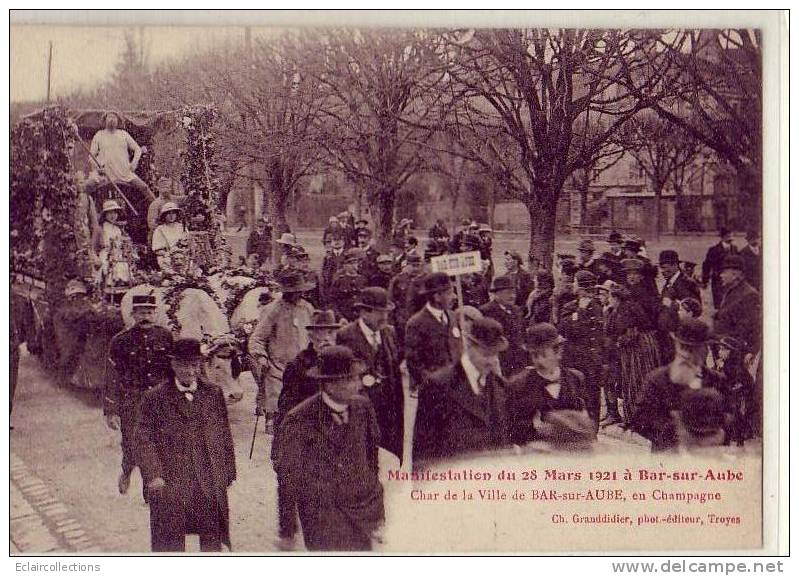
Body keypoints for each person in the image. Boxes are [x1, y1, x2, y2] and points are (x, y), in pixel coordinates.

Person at [272, 346, 385, 551]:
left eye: (357, 378)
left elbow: (371, 462)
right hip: (321, 518)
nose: (358, 385)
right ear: (330, 384)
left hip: (360, 513)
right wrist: (287, 530)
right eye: (350, 379)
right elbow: (288, 478)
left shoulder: (363, 408)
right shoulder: (299, 419)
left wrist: (377, 513)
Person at [135, 338, 236, 552]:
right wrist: (153, 475)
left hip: (207, 480)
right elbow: (144, 438)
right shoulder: (154, 398)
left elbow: (224, 434)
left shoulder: (213, 393)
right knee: (169, 544)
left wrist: (227, 471)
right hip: (171, 481)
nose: (189, 371)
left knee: (211, 541)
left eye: (194, 365)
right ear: (173, 365)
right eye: (183, 365)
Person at [271, 309, 340, 549]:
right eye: (320, 333)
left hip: (336, 432)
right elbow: (287, 405)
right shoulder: (298, 365)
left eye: (330, 332)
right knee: (290, 479)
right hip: (305, 433)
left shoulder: (342, 362)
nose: (325, 338)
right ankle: (287, 531)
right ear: (311, 336)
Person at [413, 317, 511, 463]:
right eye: (485, 354)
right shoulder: (438, 385)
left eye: (495, 354)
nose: (491, 361)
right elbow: (423, 448)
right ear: (469, 345)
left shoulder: (500, 387)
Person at [104, 294, 174, 495]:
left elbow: (172, 370)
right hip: (132, 402)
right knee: (131, 444)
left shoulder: (165, 337)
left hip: (159, 401)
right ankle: (126, 470)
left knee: (158, 442)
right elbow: (112, 375)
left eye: (150, 312)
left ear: (156, 314)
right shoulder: (120, 341)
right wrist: (110, 409)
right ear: (133, 314)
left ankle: (149, 487)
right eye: (141, 312)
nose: (146, 316)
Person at [631, 318, 730, 452]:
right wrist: (675, 431)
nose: (686, 354)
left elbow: (730, 415)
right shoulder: (657, 380)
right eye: (683, 347)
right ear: (676, 345)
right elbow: (640, 419)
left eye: (692, 348)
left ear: (704, 349)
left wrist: (714, 430)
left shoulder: (716, 380)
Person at [336, 287, 404, 461]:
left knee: (390, 463)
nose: (384, 317)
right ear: (364, 313)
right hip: (362, 413)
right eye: (379, 313)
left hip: (390, 416)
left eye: (386, 313)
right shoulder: (346, 336)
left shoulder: (390, 333)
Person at [248, 270, 316, 432]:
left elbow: (314, 334)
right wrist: (262, 358)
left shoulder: (307, 308)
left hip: (303, 366)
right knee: (279, 410)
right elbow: (256, 338)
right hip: (278, 368)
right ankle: (273, 422)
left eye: (299, 291)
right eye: (293, 292)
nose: (297, 295)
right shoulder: (273, 310)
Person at [506, 323, 594, 447]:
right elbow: (512, 431)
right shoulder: (519, 384)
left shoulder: (575, 379)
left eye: (543, 355)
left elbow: (586, 421)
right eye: (534, 355)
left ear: (558, 352)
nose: (538, 361)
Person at [605, 283, 661, 427]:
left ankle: (636, 419)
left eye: (610, 296)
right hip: (632, 349)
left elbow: (631, 334)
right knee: (631, 382)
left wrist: (619, 342)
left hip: (638, 350)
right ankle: (635, 418)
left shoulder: (627, 309)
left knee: (635, 382)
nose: (608, 299)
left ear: (616, 298)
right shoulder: (617, 310)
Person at [557, 270, 605, 426]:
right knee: (575, 397)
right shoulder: (570, 307)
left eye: (576, 283)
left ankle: (593, 433)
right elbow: (566, 329)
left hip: (593, 362)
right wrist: (580, 312)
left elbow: (600, 335)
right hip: (574, 361)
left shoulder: (598, 307)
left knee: (593, 399)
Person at [404, 272, 462, 396]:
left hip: (457, 387)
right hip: (434, 390)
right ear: (437, 296)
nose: (454, 297)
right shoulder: (416, 323)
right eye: (449, 293)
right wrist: (432, 384)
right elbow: (414, 363)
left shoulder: (452, 316)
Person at [87, 112, 154, 200]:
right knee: (88, 187)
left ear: (118, 121)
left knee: (144, 187)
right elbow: (91, 156)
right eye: (110, 117)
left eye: (115, 117)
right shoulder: (99, 135)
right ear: (105, 120)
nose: (112, 119)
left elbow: (137, 149)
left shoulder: (123, 134)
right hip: (105, 173)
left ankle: (158, 209)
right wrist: (97, 168)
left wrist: (134, 163)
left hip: (124, 172)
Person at [657, 249, 701, 361]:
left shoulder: (686, 282)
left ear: (675, 265)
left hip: (680, 336)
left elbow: (695, 309)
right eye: (661, 268)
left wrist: (671, 304)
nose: (662, 271)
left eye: (665, 267)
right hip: (669, 336)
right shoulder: (670, 281)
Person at [713, 255, 761, 356]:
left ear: (735, 274)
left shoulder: (749, 295)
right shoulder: (731, 290)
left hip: (734, 352)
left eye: (724, 272)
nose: (721, 275)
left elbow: (746, 330)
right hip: (723, 347)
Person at [480, 275, 527, 379]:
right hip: (500, 363)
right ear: (497, 294)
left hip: (519, 362)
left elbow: (522, 334)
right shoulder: (486, 311)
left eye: (514, 292)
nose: (512, 296)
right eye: (508, 293)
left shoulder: (517, 310)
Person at [388, 252, 424, 345]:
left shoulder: (425, 280)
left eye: (418, 265)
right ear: (407, 265)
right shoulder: (398, 280)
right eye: (413, 265)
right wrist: (391, 321)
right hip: (402, 319)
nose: (415, 268)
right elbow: (390, 300)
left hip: (420, 318)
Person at [98, 199, 133, 287]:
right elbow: (102, 243)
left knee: (123, 263)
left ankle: (122, 283)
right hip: (106, 252)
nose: (112, 216)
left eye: (114, 213)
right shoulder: (102, 228)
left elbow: (120, 243)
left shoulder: (117, 229)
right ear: (105, 215)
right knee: (111, 263)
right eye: (109, 213)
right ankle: (112, 282)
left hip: (117, 252)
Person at [702, 227, 738, 309]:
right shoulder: (713, 250)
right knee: (719, 303)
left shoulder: (735, 249)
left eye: (731, 236)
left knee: (731, 302)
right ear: (722, 237)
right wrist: (705, 281)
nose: (731, 238)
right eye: (728, 236)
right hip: (718, 280)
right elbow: (706, 266)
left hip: (732, 280)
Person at [328, 249, 368, 322]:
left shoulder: (363, 280)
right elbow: (332, 303)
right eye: (350, 263)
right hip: (345, 319)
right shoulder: (339, 281)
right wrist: (340, 317)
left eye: (355, 263)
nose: (353, 266)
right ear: (344, 266)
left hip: (361, 318)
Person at [151, 202, 187, 272]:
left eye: (173, 213)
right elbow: (157, 250)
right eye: (168, 213)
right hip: (167, 257)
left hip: (182, 255)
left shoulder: (181, 227)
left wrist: (182, 251)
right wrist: (168, 253)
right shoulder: (160, 229)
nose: (171, 216)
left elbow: (187, 242)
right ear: (164, 215)